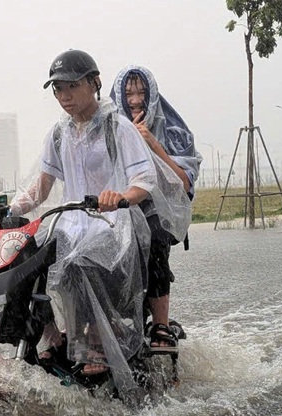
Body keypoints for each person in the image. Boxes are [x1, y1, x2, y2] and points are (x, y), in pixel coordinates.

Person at [0, 50, 190, 399]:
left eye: (72, 86)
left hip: (113, 227)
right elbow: (41, 186)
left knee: (77, 263)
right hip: (70, 226)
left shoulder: (117, 126)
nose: (64, 96)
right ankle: (48, 335)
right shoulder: (59, 132)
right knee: (25, 256)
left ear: (94, 83)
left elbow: (144, 178)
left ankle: (93, 343)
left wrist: (120, 197)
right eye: (58, 88)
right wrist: (11, 207)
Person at [110, 65, 202, 353]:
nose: (135, 101)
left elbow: (184, 181)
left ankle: (160, 323)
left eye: (140, 93)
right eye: (128, 94)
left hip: (160, 212)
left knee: (155, 243)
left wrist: (151, 143)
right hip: (119, 208)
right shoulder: (109, 127)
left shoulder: (173, 130)